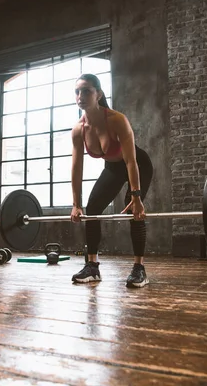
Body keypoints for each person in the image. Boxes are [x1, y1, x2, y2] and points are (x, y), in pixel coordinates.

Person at [69, 73, 154, 288]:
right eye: (77, 91)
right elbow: (76, 168)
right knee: (93, 207)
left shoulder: (117, 120)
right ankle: (92, 266)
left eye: (87, 90)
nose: (81, 96)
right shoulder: (79, 129)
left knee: (134, 211)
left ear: (99, 94)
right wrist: (76, 204)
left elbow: (132, 161)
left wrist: (136, 196)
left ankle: (139, 269)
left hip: (137, 164)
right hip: (114, 168)